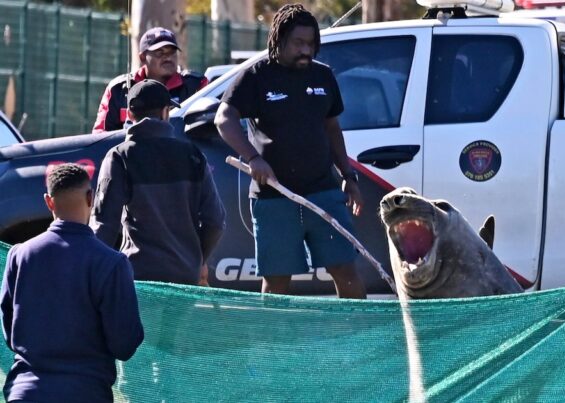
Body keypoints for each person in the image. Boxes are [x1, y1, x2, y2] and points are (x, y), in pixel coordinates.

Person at [215, 4, 366, 298]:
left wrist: (348, 176)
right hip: (275, 196)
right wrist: (253, 158)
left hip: (324, 192)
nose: (306, 51)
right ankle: (274, 344)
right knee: (277, 281)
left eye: (311, 44)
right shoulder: (256, 76)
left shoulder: (322, 77)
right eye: (298, 43)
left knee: (345, 270)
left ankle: (357, 339)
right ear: (279, 39)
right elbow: (224, 118)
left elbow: (332, 128)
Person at [0, 163, 144, 402]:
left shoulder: (19, 255)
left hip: (25, 392)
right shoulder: (112, 263)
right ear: (91, 198)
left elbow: (9, 330)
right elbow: (124, 344)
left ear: (48, 201)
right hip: (86, 393)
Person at [91, 79, 226, 285]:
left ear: (129, 115)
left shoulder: (120, 157)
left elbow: (104, 226)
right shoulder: (192, 155)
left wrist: (94, 277)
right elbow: (215, 221)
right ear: (165, 112)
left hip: (139, 279)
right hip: (185, 280)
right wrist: (196, 259)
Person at [92, 27, 208, 133]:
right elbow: (100, 135)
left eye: (172, 52)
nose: (168, 57)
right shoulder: (119, 89)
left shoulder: (196, 85)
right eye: (160, 52)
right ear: (142, 57)